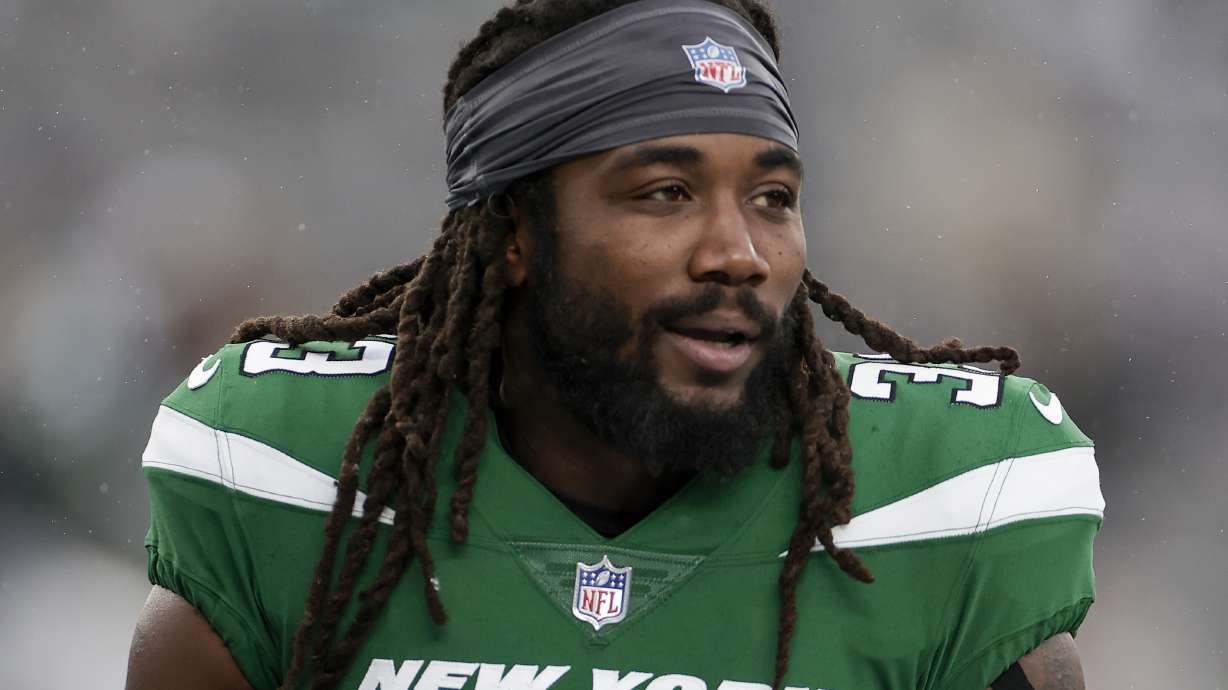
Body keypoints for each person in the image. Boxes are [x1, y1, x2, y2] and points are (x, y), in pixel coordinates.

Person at [125, 2, 1104, 689]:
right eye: (664, 193)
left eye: (773, 198)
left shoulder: (948, 501)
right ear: (514, 231)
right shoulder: (288, 476)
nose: (740, 254)